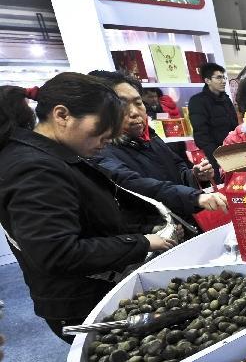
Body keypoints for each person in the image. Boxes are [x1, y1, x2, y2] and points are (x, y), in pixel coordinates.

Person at [0, 73, 175, 342]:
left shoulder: (50, 155)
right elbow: (58, 252)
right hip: (80, 302)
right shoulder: (34, 168)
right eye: (100, 133)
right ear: (62, 115)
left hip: (90, 292)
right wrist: (140, 242)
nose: (103, 143)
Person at [89, 71, 228, 223]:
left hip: (184, 223)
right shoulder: (99, 150)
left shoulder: (150, 137)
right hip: (155, 236)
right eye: (121, 104)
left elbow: (177, 167)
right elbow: (137, 184)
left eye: (138, 102)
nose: (135, 112)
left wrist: (195, 175)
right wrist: (194, 197)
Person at [188, 63, 238, 182]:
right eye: (218, 78)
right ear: (207, 80)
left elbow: (234, 125)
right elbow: (201, 134)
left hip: (233, 151)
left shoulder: (226, 99)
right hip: (214, 155)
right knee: (222, 184)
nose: (223, 81)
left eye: (224, 77)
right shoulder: (197, 101)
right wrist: (216, 155)